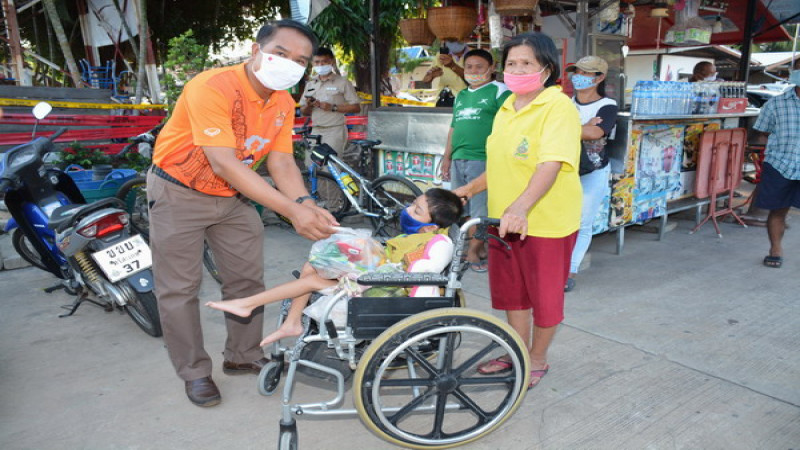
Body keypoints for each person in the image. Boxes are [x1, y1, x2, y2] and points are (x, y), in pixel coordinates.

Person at [148, 20, 338, 408]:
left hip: (235, 196)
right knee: (179, 289)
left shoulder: (283, 102)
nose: (289, 64)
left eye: (300, 60)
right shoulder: (211, 86)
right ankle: (194, 371)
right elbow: (223, 162)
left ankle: (243, 354)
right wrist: (289, 210)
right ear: (256, 49)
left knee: (246, 279)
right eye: (281, 54)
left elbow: (282, 162)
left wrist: (304, 204)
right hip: (179, 191)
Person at [453, 32, 582, 390]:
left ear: (546, 68)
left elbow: (551, 163)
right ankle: (517, 350)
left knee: (544, 297)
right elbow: (499, 165)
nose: (517, 69)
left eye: (526, 63)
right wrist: (467, 189)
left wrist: (521, 207)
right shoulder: (507, 106)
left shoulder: (558, 107)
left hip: (545, 222)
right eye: (511, 63)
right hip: (503, 220)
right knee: (513, 294)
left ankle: (537, 359)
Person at [205, 188, 463, 345]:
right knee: (316, 261)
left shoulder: (436, 242)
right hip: (376, 280)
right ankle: (291, 323)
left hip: (386, 292)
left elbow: (414, 274)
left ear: (430, 226)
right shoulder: (412, 237)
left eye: (416, 210)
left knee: (311, 277)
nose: (408, 210)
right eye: (412, 204)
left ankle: (250, 304)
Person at [440, 48, 511, 272]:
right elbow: (454, 128)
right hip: (459, 158)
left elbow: (509, 126)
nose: (473, 71)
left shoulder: (501, 91)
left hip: (484, 160)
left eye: (479, 67)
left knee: (482, 212)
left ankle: (472, 253)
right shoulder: (461, 95)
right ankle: (477, 248)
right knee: (460, 209)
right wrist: (447, 157)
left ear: (491, 69)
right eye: (469, 67)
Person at [563, 56, 618, 292]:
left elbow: (596, 133)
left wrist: (573, 128)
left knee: (583, 222)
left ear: (600, 77)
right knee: (561, 220)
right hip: (564, 169)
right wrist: (582, 127)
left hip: (592, 171)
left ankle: (569, 272)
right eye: (576, 71)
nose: (579, 76)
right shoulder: (564, 103)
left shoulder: (607, 105)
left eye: (586, 73)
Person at [751, 58, 800, 269]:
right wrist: (770, 155)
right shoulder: (776, 103)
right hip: (781, 164)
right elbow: (763, 132)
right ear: (793, 73)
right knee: (778, 210)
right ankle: (775, 249)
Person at [299, 47, 361, 157]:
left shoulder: (343, 82)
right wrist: (309, 105)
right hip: (315, 131)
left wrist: (333, 107)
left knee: (330, 167)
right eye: (317, 62)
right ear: (312, 63)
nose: (321, 65)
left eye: (324, 61)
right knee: (311, 166)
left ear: (332, 61)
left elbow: (356, 107)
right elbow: (303, 111)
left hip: (334, 131)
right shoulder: (311, 84)